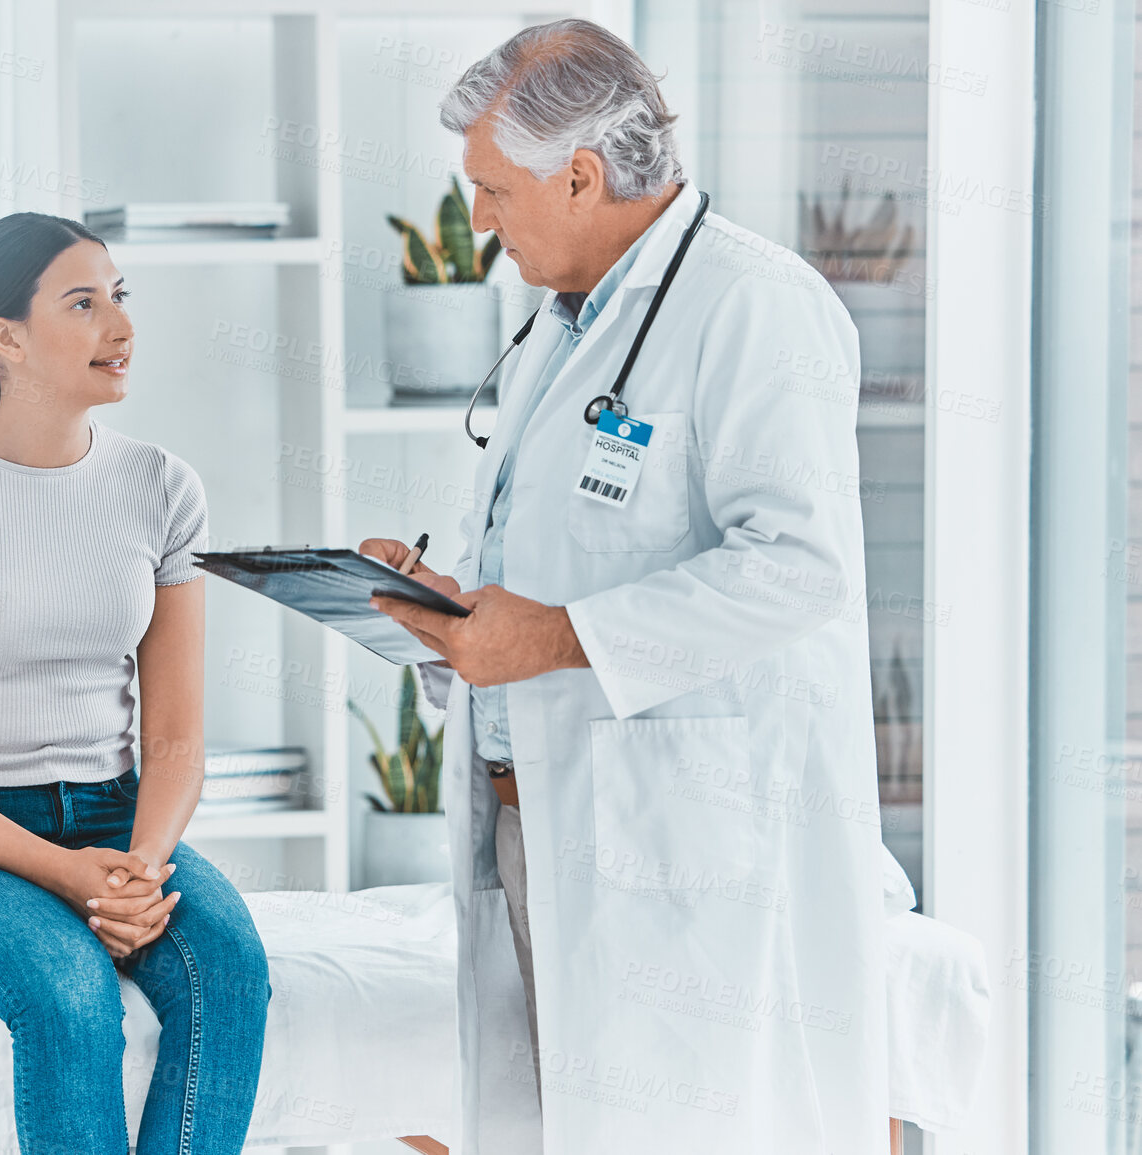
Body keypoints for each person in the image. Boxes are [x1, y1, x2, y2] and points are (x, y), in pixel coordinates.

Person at [362, 18, 887, 1155]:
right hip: (534, 815)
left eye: (493, 191)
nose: (480, 221)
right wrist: (447, 607)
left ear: (581, 176)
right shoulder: (564, 323)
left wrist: (553, 638)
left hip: (675, 838)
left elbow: (797, 570)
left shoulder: (754, 305)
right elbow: (565, 555)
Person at [0, 211, 270, 1155]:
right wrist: (71, 880)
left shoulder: (161, 486)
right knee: (69, 989)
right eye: (83, 302)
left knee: (228, 970)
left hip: (117, 825)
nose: (119, 324)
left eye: (120, 296)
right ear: (7, 336)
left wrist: (140, 868)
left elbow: (178, 740)